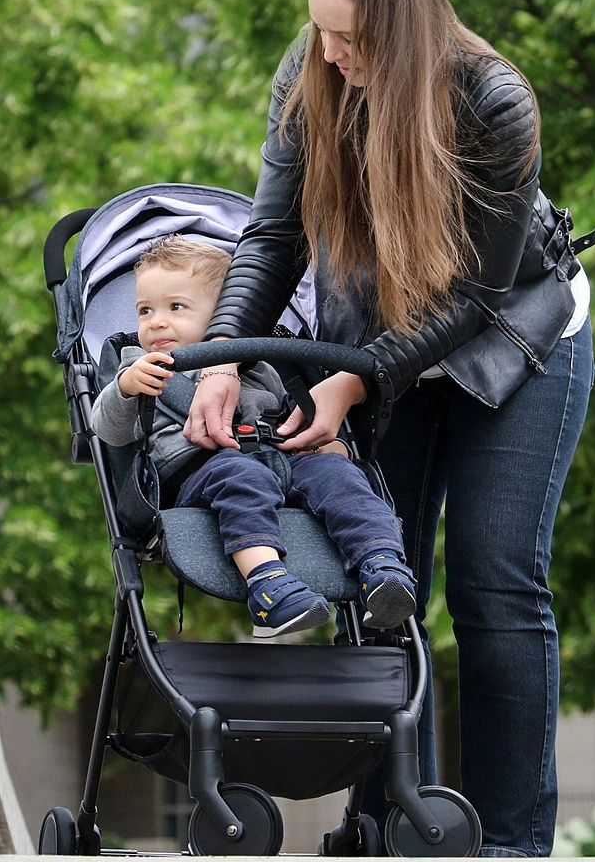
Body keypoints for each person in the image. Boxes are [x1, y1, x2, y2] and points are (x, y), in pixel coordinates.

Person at [184, 0, 595, 856]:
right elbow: (274, 239)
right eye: (321, 31)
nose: (333, 55)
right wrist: (223, 358)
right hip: (380, 338)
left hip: (511, 336)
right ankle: (373, 825)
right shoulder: (310, 75)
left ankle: (511, 842)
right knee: (380, 571)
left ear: (403, 26)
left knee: (494, 581)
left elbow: (482, 294)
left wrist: (355, 386)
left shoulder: (494, 101)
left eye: (353, 37)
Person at [90, 236, 417, 638]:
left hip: (282, 459)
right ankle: (267, 585)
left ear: (225, 317)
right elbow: (108, 431)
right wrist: (125, 389)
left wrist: (330, 448)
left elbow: (293, 415)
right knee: (242, 477)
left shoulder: (261, 365)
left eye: (175, 307)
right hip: (202, 473)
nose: (155, 321)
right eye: (145, 310)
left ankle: (382, 564)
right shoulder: (140, 369)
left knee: (341, 475)